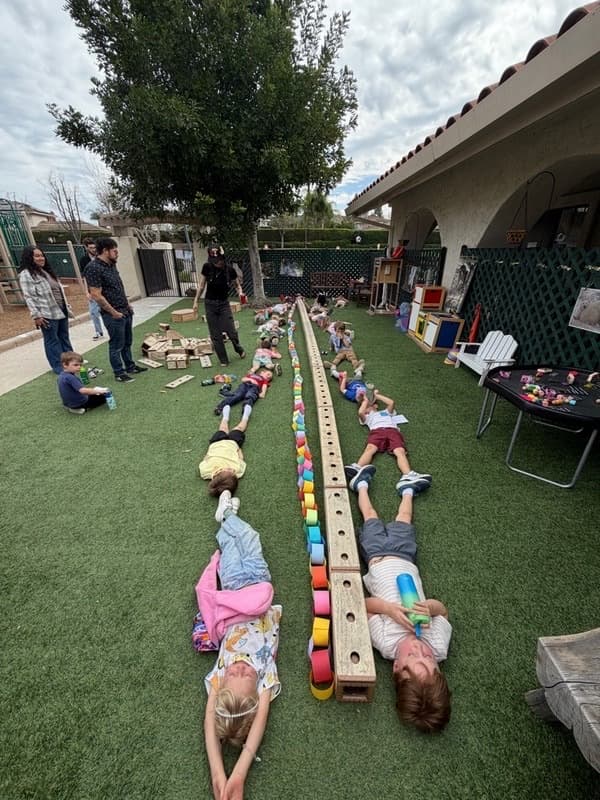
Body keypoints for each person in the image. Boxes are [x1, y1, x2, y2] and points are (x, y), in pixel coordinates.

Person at [351, 471, 452, 732]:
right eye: (428, 659)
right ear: (438, 669)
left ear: (397, 666)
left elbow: (361, 606)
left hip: (377, 557)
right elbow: (443, 612)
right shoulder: (439, 646)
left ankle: (360, 485)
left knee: (370, 516)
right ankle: (408, 489)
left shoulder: (386, 643)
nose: (421, 650)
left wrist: (387, 609)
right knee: (404, 519)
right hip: (405, 558)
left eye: (413, 658)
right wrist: (430, 608)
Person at [198, 497, 281, 799]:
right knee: (250, 539)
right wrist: (240, 770)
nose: (241, 668)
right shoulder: (265, 677)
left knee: (234, 546)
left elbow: (210, 721)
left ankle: (225, 516)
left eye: (235, 673)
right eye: (245, 675)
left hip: (234, 587)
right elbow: (259, 721)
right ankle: (227, 517)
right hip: (259, 582)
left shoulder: (220, 674)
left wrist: (218, 773)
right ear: (257, 692)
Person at [344, 389, 431, 494]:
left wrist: (377, 395)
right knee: (370, 448)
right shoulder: (367, 417)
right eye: (365, 407)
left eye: (368, 406)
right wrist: (365, 401)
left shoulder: (386, 412)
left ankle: (408, 474)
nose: (366, 409)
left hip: (392, 431)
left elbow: (391, 402)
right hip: (377, 431)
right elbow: (360, 412)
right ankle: (358, 467)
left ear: (376, 406)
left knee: (400, 451)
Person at [85, 238, 147, 383]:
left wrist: (127, 304)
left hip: (124, 310)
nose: (117, 253)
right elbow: (96, 295)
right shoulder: (93, 268)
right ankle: (119, 373)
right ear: (105, 251)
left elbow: (117, 287)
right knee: (116, 345)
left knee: (127, 342)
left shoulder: (111, 265)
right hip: (113, 314)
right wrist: (113, 312)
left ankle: (130, 366)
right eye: (114, 251)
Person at [18, 245, 74, 374]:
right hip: (46, 313)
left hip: (61, 310)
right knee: (52, 340)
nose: (41, 258)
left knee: (64, 337)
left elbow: (58, 291)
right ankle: (59, 367)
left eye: (42, 255)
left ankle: (71, 362)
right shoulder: (26, 275)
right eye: (37, 256)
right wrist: (36, 315)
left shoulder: (46, 272)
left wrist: (67, 306)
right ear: (29, 258)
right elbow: (29, 296)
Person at [192, 247, 245, 367]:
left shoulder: (230, 270)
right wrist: (195, 301)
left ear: (223, 258)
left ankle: (238, 348)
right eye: (213, 260)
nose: (216, 263)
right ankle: (223, 360)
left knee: (231, 331)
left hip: (223, 304)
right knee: (215, 335)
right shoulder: (207, 267)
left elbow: (237, 285)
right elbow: (201, 285)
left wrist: (240, 293)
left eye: (218, 260)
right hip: (210, 304)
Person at [199, 405, 251, 498]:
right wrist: (238, 449)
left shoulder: (205, 471)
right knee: (239, 428)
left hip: (216, 443)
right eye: (233, 473)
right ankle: (245, 416)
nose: (233, 470)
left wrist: (210, 450)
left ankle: (225, 416)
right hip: (233, 443)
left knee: (223, 428)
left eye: (229, 470)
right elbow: (241, 459)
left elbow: (205, 458)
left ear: (219, 472)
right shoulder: (237, 472)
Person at [79, 238, 104, 340]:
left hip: (104, 288)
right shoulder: (84, 260)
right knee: (93, 312)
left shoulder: (101, 258)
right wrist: (86, 292)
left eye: (94, 247)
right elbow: (84, 277)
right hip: (92, 290)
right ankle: (98, 331)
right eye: (91, 248)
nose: (93, 249)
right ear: (86, 248)